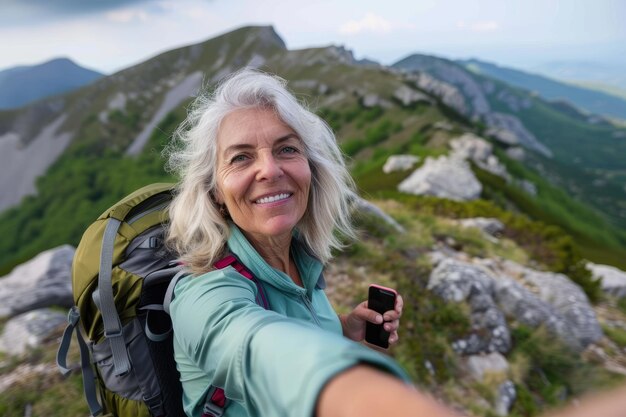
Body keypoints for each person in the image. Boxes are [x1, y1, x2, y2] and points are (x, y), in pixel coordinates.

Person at [164, 68, 459, 417]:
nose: (270, 170)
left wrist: (344, 329)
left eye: (286, 149)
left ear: (311, 170)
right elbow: (257, 349)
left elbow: (293, 327)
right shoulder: (205, 295)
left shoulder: (299, 260)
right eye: (241, 157)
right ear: (215, 193)